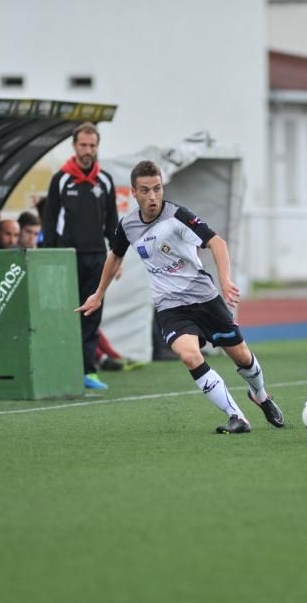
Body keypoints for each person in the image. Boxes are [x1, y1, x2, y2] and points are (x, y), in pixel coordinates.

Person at [77, 160, 285, 434]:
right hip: (170, 307)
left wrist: (224, 280)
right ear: (134, 193)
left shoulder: (178, 216)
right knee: (189, 356)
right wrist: (99, 293)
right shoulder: (127, 225)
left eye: (157, 189)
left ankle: (259, 395)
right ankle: (237, 417)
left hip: (205, 299)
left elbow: (216, 242)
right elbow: (115, 255)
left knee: (242, 357)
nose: (153, 196)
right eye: (145, 190)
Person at [43, 122, 118, 390]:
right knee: (63, 315)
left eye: (92, 145)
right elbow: (49, 222)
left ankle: (88, 371)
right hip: (65, 259)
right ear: (74, 146)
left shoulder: (105, 180)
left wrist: (116, 259)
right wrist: (48, 260)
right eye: (83, 145)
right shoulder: (61, 179)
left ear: (97, 147)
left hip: (97, 258)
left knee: (91, 315)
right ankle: (59, 368)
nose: (88, 150)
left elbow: (112, 225)